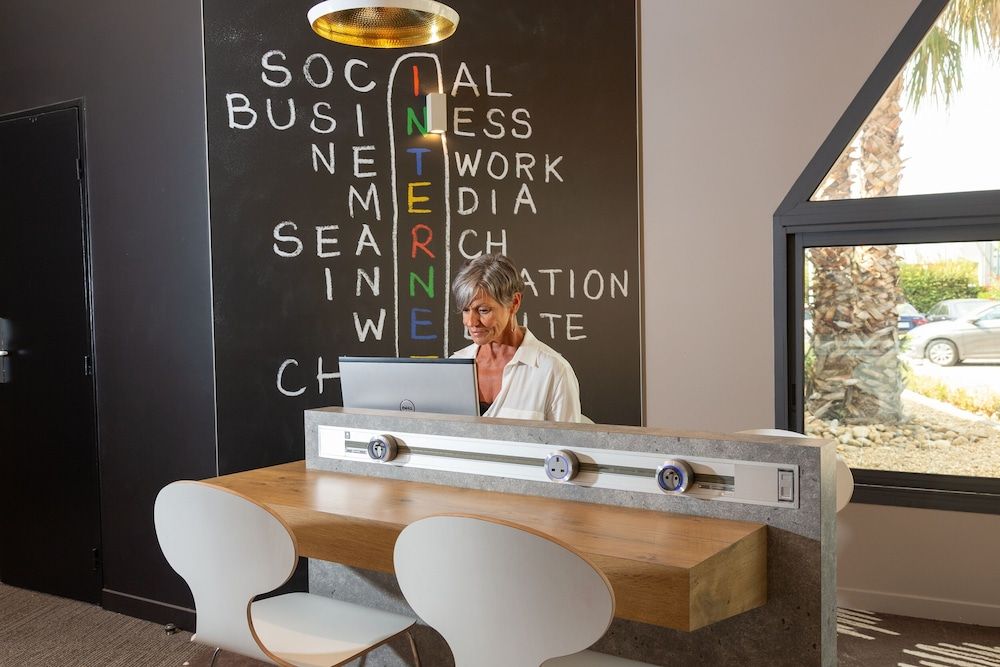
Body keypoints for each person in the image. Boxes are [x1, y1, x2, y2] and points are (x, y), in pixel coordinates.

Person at [450, 254, 584, 422]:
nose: (471, 322)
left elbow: (567, 438)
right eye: (465, 310)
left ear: (514, 303)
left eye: (483, 310)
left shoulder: (554, 371)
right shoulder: (454, 366)